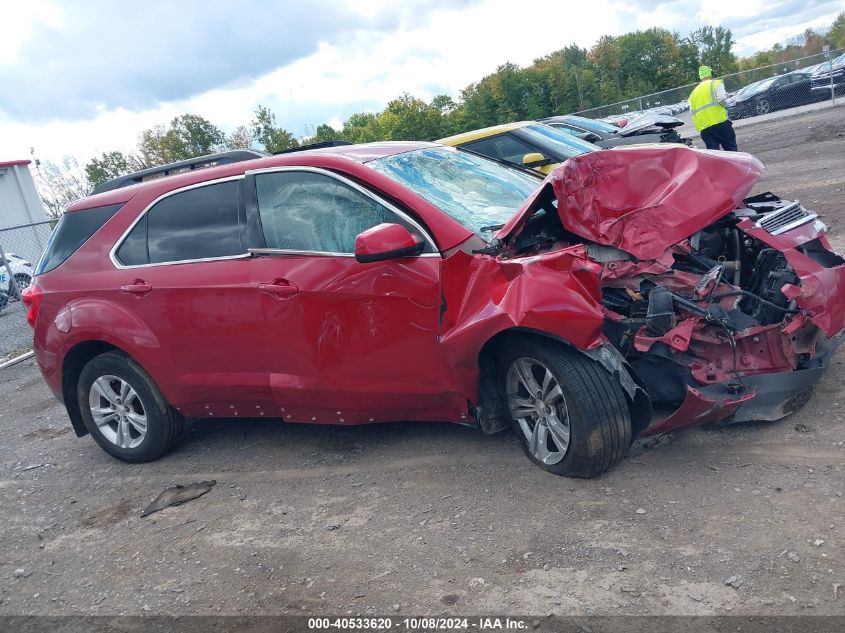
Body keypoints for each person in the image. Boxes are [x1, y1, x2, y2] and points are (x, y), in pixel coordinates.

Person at [689, 65, 738, 151]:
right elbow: (722, 98)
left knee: (714, 154)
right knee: (731, 151)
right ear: (711, 74)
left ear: (701, 77)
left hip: (705, 128)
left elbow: (692, 111)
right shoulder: (716, 84)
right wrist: (726, 106)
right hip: (720, 123)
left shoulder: (694, 92)